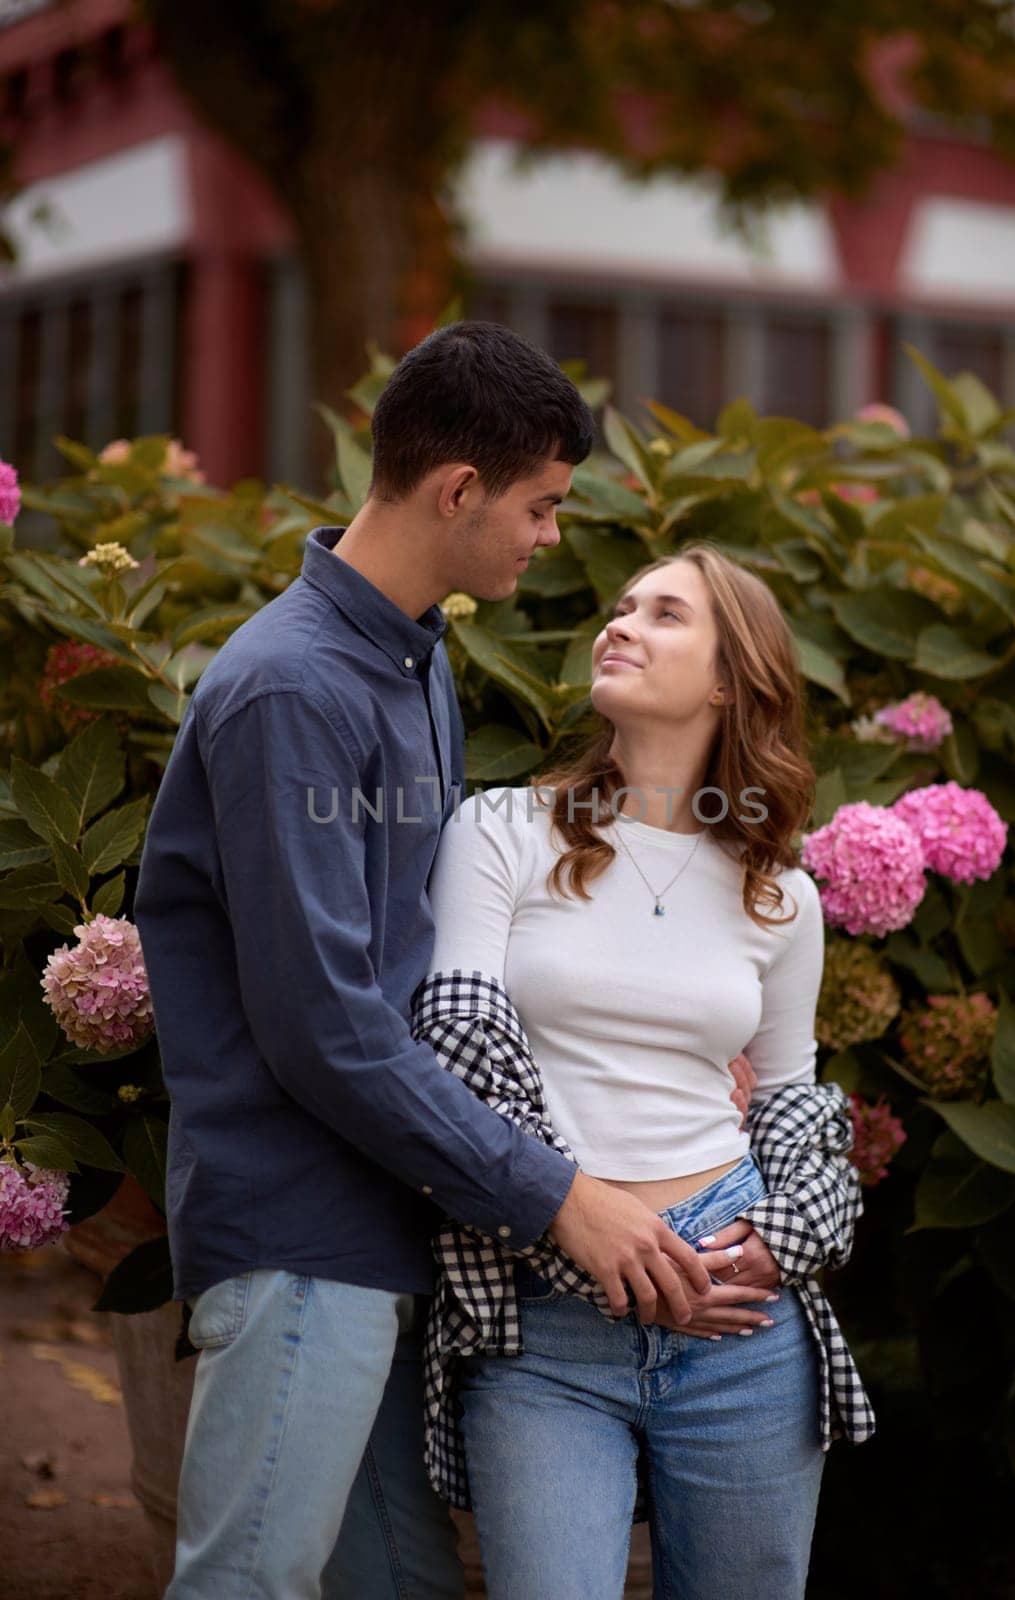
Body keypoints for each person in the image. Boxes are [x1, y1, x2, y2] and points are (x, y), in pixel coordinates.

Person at [133, 324, 730, 1600]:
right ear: (459, 489)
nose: (552, 535)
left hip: (381, 1228)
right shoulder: (296, 688)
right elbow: (328, 1027)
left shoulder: (413, 661)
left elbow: (443, 957)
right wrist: (556, 1192)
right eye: (543, 504)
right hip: (300, 1237)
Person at [419, 544, 875, 1600]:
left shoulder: (781, 895)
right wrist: (587, 1236)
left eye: (664, 613)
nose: (620, 623)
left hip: (737, 1311)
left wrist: (785, 1235)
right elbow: (456, 1056)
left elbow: (797, 1104)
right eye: (621, 607)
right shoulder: (501, 831)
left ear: (729, 678)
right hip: (544, 1309)